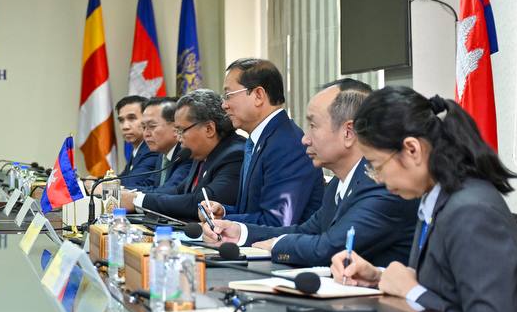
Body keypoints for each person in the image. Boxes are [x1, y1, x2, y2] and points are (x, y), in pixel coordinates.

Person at [331, 87, 517, 312]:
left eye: (376, 166)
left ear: (412, 150)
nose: (378, 179)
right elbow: (443, 291)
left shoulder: (472, 213)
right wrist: (379, 278)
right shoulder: (434, 198)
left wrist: (411, 291)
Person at [203, 79, 416, 267]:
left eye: (313, 125)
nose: (305, 139)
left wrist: (276, 245)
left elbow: (328, 248)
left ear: (348, 133)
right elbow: (306, 231)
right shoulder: (340, 183)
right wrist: (239, 233)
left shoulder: (381, 183)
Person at [206, 58, 323, 227]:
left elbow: (277, 222)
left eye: (228, 95)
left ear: (258, 96)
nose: (224, 105)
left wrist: (224, 222)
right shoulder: (260, 140)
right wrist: (223, 212)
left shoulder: (287, 145)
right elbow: (252, 211)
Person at [122, 89, 245, 221]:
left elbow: (200, 203)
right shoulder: (201, 153)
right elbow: (177, 192)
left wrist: (138, 201)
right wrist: (131, 196)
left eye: (181, 130)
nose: (178, 138)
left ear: (209, 129)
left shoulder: (234, 155)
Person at [139, 97, 193, 192]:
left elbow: (169, 190)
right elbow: (150, 184)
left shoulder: (186, 153)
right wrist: (121, 190)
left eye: (152, 126)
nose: (146, 134)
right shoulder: (163, 154)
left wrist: (131, 196)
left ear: (176, 127)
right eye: (144, 127)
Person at [114, 95, 160, 188]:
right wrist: (95, 181)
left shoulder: (152, 149)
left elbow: (131, 182)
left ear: (146, 120)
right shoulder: (138, 148)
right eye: (121, 120)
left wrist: (96, 184)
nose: (125, 126)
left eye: (132, 118)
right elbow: (123, 177)